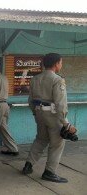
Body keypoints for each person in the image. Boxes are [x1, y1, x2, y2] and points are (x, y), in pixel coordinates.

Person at [22, 53, 77, 183]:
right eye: (61, 62)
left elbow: (30, 100)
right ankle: (49, 172)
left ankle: (28, 165)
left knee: (40, 139)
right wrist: (66, 124)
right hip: (54, 116)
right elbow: (60, 104)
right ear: (56, 63)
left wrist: (36, 114)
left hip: (39, 114)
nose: (61, 65)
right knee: (57, 144)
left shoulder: (35, 79)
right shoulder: (58, 80)